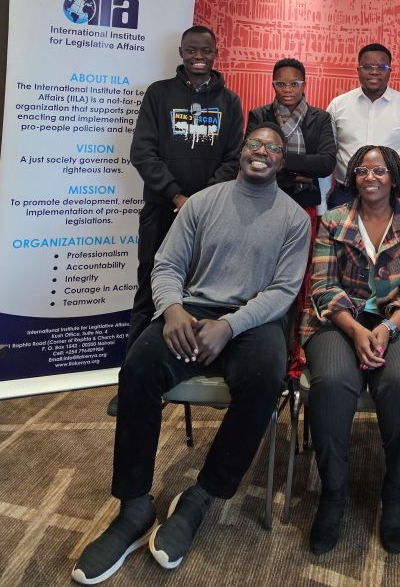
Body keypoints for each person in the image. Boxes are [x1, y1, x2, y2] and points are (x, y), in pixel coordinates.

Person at [71, 124, 309, 584]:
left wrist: (230, 326)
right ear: (242, 152)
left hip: (252, 320)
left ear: (282, 161)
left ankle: (201, 496)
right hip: (192, 310)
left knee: (266, 377)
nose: (261, 152)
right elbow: (167, 265)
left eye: (273, 148)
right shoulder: (202, 203)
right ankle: (134, 506)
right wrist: (173, 309)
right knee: (139, 366)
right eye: (254, 144)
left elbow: (283, 291)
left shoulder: (294, 219)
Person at [299, 145, 400, 557]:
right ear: (352, 177)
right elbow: (322, 285)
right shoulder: (334, 220)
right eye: (362, 171)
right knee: (332, 382)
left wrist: (388, 327)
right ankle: (333, 492)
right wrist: (357, 329)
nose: (370, 177)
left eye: (379, 171)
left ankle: (397, 489)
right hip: (339, 321)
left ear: (394, 176)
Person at [107, 26, 244, 416]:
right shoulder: (159, 94)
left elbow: (234, 157)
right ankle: (131, 384)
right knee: (149, 293)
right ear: (181, 52)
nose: (199, 56)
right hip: (162, 211)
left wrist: (199, 202)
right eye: (191, 50)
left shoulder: (230, 101)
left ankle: (207, 372)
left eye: (206, 50)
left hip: (212, 215)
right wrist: (176, 196)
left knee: (209, 292)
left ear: (216, 52)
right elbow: (142, 151)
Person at [247, 57, 336, 376]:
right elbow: (253, 160)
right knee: (266, 277)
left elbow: (325, 163)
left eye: (294, 83)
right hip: (265, 206)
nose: (288, 89)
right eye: (281, 83)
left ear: (304, 84)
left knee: (302, 278)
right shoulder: (259, 115)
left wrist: (279, 161)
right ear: (273, 85)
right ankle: (267, 350)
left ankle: (298, 351)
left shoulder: (320, 118)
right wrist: (298, 169)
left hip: (305, 209)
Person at [323, 43, 400, 208]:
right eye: (367, 67)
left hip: (392, 194)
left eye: (382, 67)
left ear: (390, 71)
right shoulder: (338, 105)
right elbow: (328, 157)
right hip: (346, 193)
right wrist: (323, 201)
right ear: (358, 70)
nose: (374, 72)